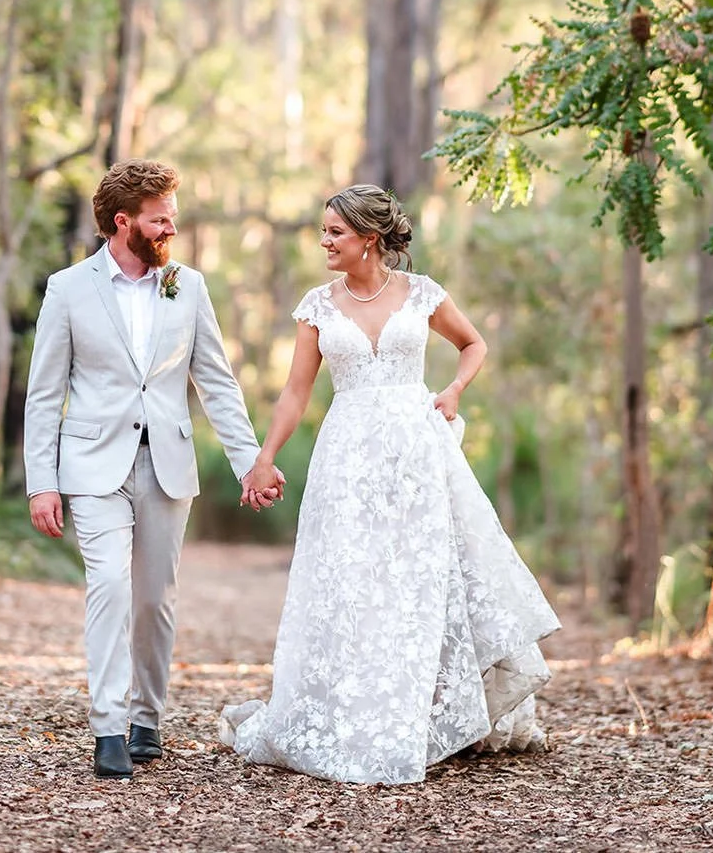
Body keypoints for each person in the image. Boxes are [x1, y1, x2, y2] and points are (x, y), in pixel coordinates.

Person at [219, 184, 558, 785]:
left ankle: (433, 712)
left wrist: (453, 389)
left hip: (417, 452)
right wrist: (264, 457)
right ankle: (356, 705)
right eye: (323, 232)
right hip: (347, 458)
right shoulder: (316, 307)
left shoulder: (421, 293)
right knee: (355, 580)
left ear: (368, 239)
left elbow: (474, 343)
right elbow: (296, 391)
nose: (325, 242)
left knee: (420, 577)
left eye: (335, 233)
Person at [24, 159, 284, 779]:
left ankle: (147, 717)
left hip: (167, 464)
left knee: (154, 601)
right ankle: (108, 728)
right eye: (159, 219)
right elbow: (43, 393)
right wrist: (43, 481)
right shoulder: (68, 289)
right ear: (123, 222)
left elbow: (217, 383)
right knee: (109, 588)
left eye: (173, 216)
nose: (171, 227)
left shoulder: (187, 286)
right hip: (91, 465)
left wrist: (250, 462)